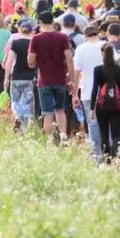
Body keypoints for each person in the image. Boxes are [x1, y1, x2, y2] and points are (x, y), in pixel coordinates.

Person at [29, 11, 74, 144]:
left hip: (44, 80)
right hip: (60, 79)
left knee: (47, 113)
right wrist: (71, 79)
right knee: (60, 110)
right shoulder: (62, 37)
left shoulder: (36, 39)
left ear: (40, 22)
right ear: (53, 22)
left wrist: (37, 62)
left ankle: (49, 139)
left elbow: (31, 62)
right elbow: (69, 58)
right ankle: (63, 135)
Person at [90, 44, 120, 163]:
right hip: (117, 106)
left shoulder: (98, 70)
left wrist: (92, 108)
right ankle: (116, 157)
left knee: (104, 132)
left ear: (102, 54)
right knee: (116, 134)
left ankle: (107, 159)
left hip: (101, 107)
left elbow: (94, 89)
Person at [74, 25, 106, 161]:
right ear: (98, 33)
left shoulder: (81, 49)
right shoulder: (105, 45)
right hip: (105, 91)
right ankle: (109, 151)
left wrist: (75, 93)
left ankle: (97, 155)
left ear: (85, 36)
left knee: (93, 124)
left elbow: (76, 72)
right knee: (106, 122)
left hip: (87, 91)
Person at [4, 19, 38, 132]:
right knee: (27, 101)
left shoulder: (16, 43)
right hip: (30, 77)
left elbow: (10, 61)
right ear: (31, 31)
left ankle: (17, 116)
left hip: (16, 76)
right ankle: (25, 125)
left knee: (15, 100)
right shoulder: (34, 44)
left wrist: (6, 77)